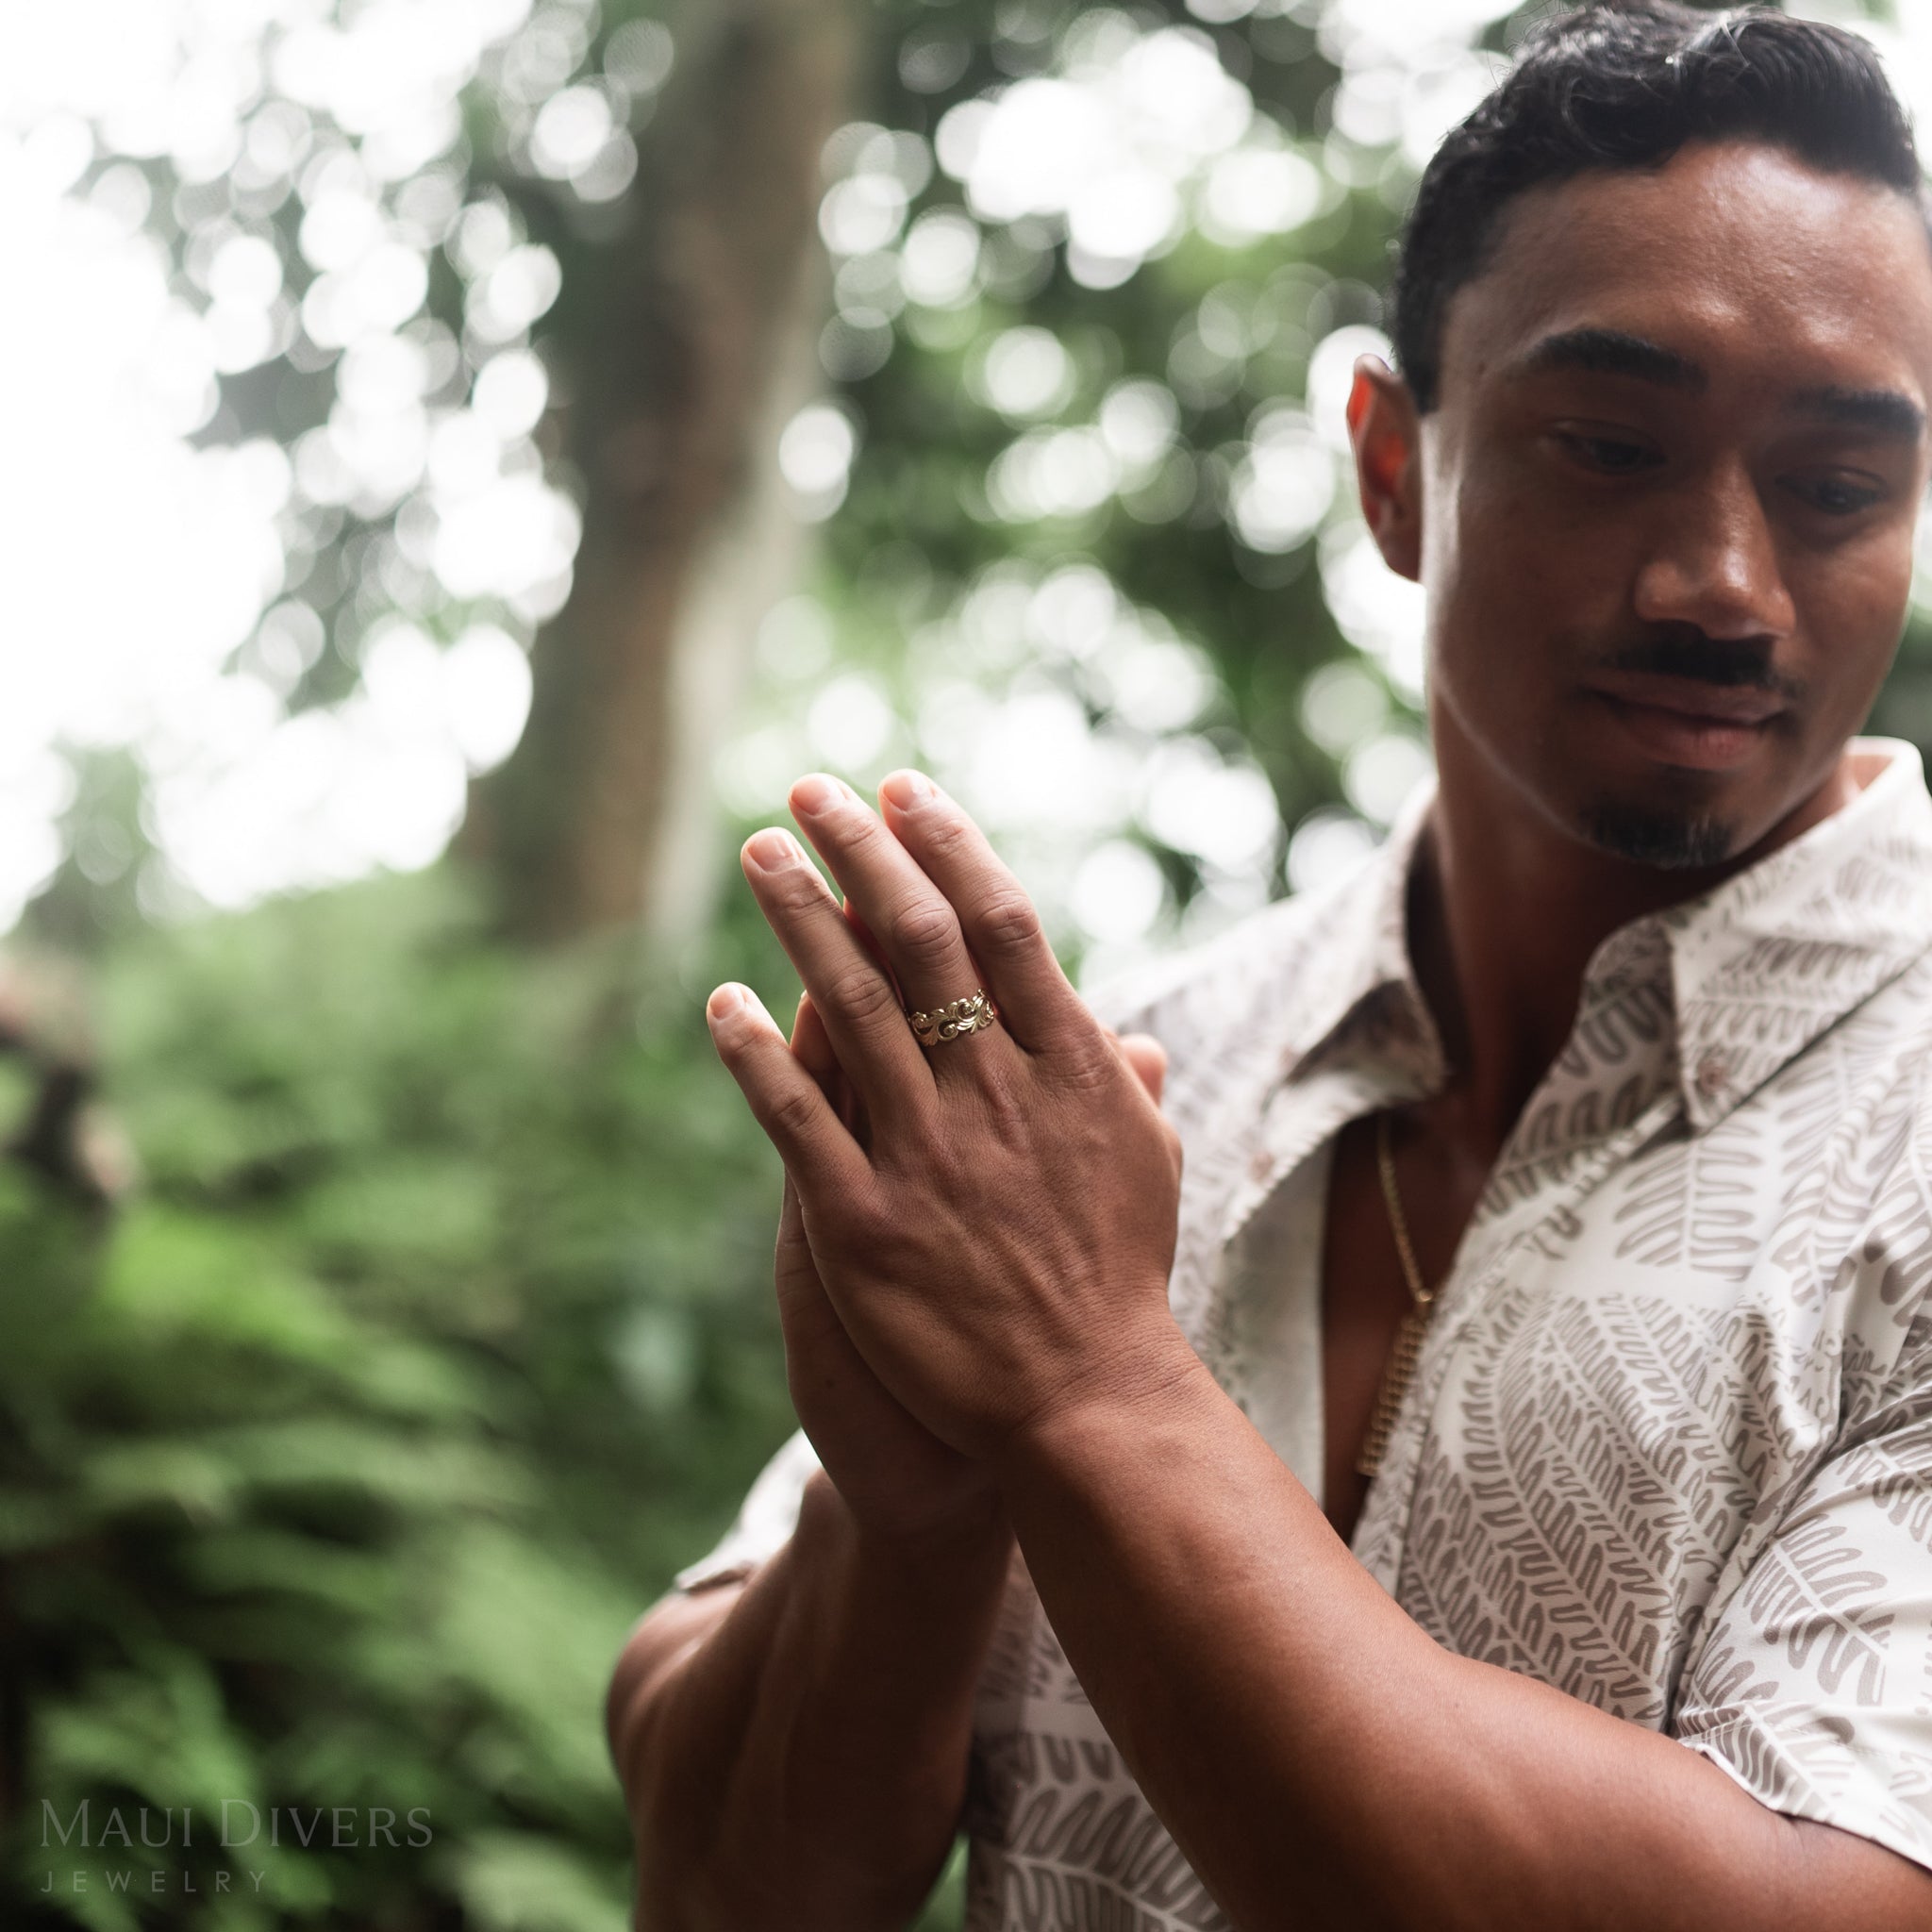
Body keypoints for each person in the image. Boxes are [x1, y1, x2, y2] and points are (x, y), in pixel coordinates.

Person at [608, 6, 1932, 1926]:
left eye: (1837, 488)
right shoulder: (1122, 1092)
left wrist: (1089, 1387)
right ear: (1393, 471)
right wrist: (905, 1523)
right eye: (1609, 446)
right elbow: (722, 1890)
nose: (1723, 582)